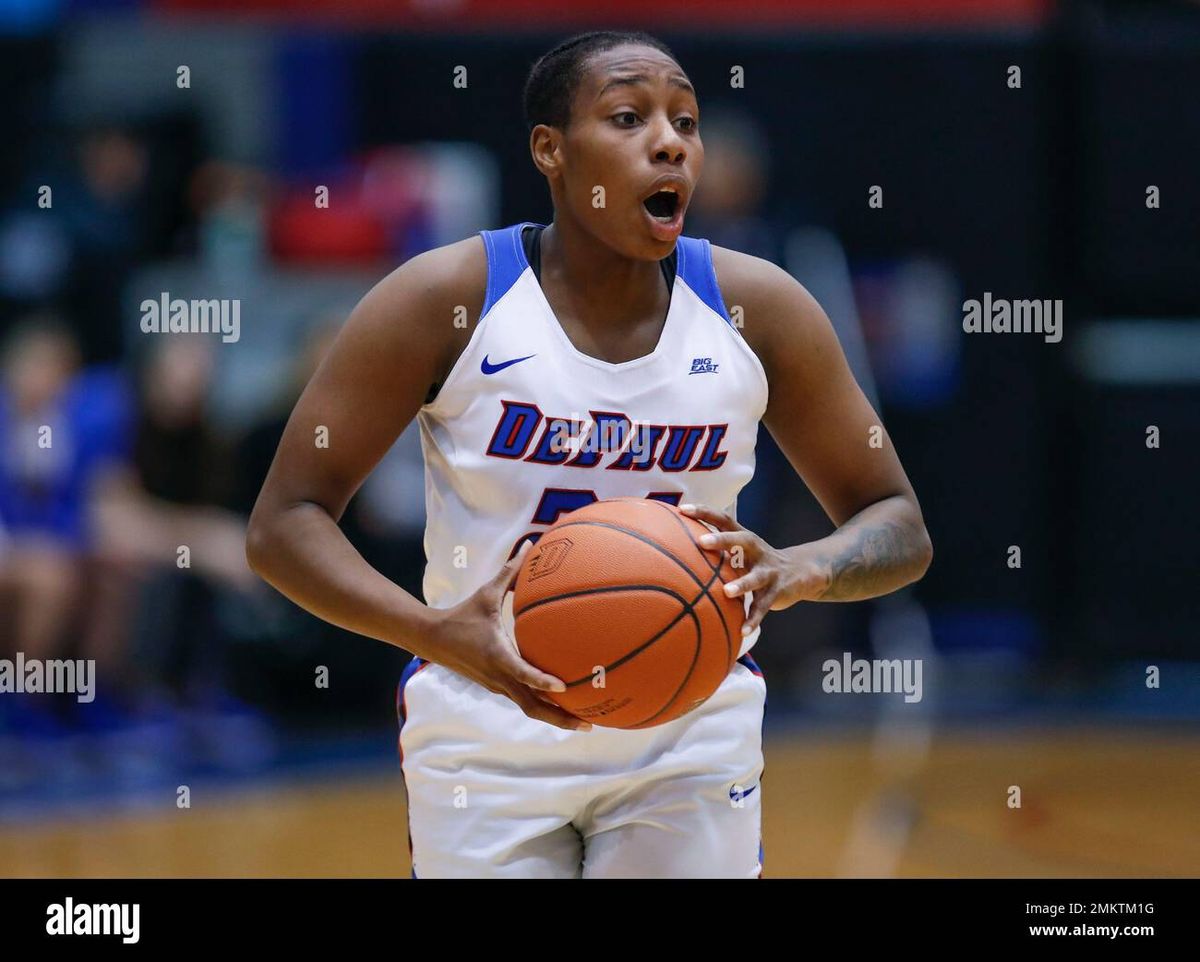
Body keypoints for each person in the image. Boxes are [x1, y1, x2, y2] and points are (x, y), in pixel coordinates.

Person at [246, 30, 932, 879]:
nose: (670, 139)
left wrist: (800, 569)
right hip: (484, 729)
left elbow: (898, 523)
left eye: (685, 118)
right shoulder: (445, 300)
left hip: (688, 730)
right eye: (628, 116)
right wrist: (434, 632)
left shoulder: (761, 311)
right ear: (551, 150)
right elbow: (283, 524)